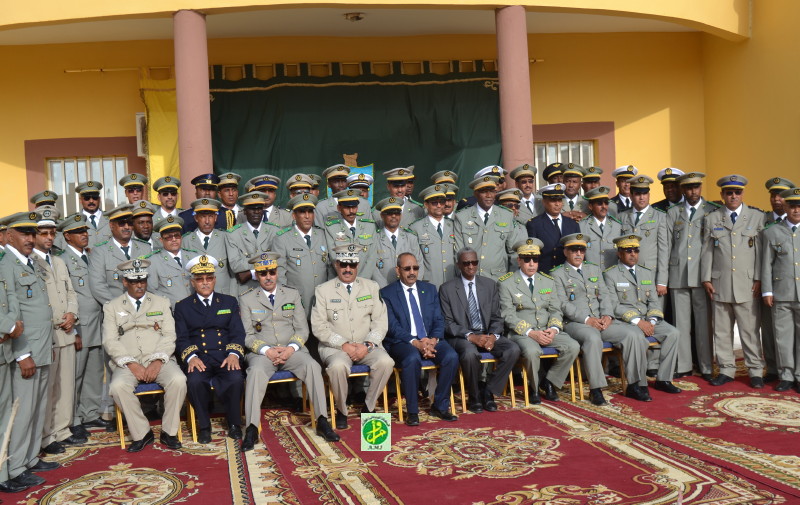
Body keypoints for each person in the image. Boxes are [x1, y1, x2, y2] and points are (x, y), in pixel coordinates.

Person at [239, 252, 339, 450]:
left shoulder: (292, 294)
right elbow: (247, 335)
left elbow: (302, 329)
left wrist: (290, 348)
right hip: (262, 353)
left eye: (272, 272)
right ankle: (251, 427)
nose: (268, 276)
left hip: (292, 350)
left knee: (312, 366)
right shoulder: (247, 299)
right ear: (257, 276)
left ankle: (322, 420)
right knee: (255, 372)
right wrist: (266, 350)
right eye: (263, 273)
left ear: (277, 273)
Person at [551, 233, 647, 405]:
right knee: (593, 338)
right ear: (565, 252)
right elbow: (563, 304)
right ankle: (596, 389)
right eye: (574, 250)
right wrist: (587, 319)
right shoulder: (557, 274)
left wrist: (608, 315)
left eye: (581, 249)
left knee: (632, 334)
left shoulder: (593, 269)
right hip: (576, 323)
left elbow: (605, 296)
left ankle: (634, 384)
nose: (578, 253)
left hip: (601, 320)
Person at [0, 211, 58, 489]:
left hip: (42, 347)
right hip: (26, 351)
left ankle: (31, 457)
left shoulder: (31, 262)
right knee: (21, 411)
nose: (30, 239)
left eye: (32, 233)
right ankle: (14, 465)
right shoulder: (5, 265)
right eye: (24, 233)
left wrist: (50, 345)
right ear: (8, 234)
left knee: (38, 407)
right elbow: (12, 315)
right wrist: (23, 354)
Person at [103, 259, 186, 452]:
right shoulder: (112, 307)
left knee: (179, 380)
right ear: (125, 282)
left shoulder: (161, 302)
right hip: (128, 363)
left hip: (159, 359)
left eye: (142, 280)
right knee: (117, 387)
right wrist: (131, 364)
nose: (139, 285)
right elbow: (110, 341)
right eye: (134, 281)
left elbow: (169, 335)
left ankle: (169, 432)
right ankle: (142, 433)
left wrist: (157, 360)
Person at [310, 244, 394, 429]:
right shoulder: (323, 290)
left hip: (367, 345)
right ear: (336, 265)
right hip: (335, 348)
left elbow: (381, 322)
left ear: (357, 265)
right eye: (343, 264)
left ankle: (369, 406)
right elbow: (319, 327)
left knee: (386, 362)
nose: (348, 269)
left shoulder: (371, 287)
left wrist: (368, 345)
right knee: (338, 366)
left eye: (352, 265)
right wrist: (344, 345)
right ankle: (342, 409)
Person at [701, 175, 766, 388]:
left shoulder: (756, 217)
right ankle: (726, 370)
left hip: (747, 284)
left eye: (737, 192)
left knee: (749, 331)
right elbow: (707, 250)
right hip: (720, 283)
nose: (733, 196)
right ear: (722, 195)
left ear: (742, 194)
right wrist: (706, 277)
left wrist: (758, 278)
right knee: (721, 331)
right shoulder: (712, 218)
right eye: (729, 192)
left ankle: (755, 370)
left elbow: (760, 252)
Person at [381, 253, 459, 425]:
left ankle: (440, 405)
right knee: (411, 358)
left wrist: (433, 340)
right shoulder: (387, 293)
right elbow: (392, 327)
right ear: (398, 270)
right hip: (403, 342)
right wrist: (415, 342)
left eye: (415, 268)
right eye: (407, 268)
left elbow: (439, 319)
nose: (412, 272)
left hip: (430, 340)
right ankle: (413, 411)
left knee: (451, 357)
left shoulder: (429, 289)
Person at [174, 255, 245, 444]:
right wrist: (191, 358)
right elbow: (181, 338)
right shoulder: (183, 307)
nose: (205, 283)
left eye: (208, 278)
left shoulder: (229, 302)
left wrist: (233, 354)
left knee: (236, 378)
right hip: (200, 358)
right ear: (192, 281)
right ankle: (204, 426)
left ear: (214, 279)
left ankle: (234, 424)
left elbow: (237, 332)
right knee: (195, 381)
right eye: (199, 279)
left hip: (224, 355)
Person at [439, 248, 520, 412]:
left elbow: (497, 317)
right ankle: (474, 396)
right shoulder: (447, 289)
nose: (470, 266)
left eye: (474, 262)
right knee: (469, 354)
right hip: (462, 337)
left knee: (513, 349)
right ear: (459, 265)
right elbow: (447, 323)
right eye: (466, 263)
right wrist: (471, 336)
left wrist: (492, 336)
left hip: (487, 333)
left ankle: (488, 391)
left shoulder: (489, 285)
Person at [498, 239, 578, 403]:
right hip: (522, 333)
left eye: (535, 259)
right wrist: (531, 332)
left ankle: (549, 382)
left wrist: (553, 329)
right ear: (519, 260)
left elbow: (555, 309)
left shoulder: (547, 280)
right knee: (532, 351)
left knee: (573, 346)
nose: (532, 264)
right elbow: (508, 315)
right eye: (527, 259)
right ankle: (534, 388)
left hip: (547, 329)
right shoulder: (506, 283)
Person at [604, 235, 681, 400]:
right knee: (636, 336)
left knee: (673, 333)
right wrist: (638, 322)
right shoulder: (610, 275)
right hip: (625, 321)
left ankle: (664, 379)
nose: (633, 254)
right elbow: (614, 306)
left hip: (647, 319)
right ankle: (636, 383)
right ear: (619, 253)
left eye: (636, 250)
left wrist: (651, 321)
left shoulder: (646, 273)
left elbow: (654, 302)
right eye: (628, 251)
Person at [659, 172, 719, 380]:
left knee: (703, 325)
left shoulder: (712, 210)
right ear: (683, 190)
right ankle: (683, 364)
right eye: (688, 188)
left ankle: (706, 366)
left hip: (702, 276)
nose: (693, 192)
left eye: (696, 187)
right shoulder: (673, 212)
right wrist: (663, 278)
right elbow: (666, 247)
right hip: (678, 275)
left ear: (701, 188)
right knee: (681, 324)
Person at [32, 210, 83, 454]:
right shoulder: (32, 262)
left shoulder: (59, 261)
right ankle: (46, 435)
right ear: (35, 235)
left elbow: (71, 293)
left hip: (67, 331)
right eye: (44, 233)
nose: (49, 237)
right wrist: (58, 319)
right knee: (49, 388)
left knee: (65, 385)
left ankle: (63, 429)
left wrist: (72, 314)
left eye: (52, 233)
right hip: (49, 333)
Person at [57, 214, 112, 436]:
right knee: (75, 375)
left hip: (97, 322)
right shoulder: (62, 260)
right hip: (80, 325)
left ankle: (89, 414)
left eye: (85, 231)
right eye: (79, 232)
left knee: (94, 372)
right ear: (67, 236)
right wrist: (75, 329)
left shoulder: (90, 256)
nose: (84, 235)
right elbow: (66, 296)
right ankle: (73, 419)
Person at [761, 187, 800, 393]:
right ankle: (786, 375)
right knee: (783, 337)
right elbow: (766, 264)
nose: (796, 210)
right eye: (792, 206)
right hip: (781, 293)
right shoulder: (771, 232)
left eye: (799, 206)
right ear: (784, 207)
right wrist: (767, 291)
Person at [272, 193, 331, 313]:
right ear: (294, 215)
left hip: (323, 301)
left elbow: (330, 267)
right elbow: (280, 273)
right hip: (297, 301)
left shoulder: (323, 235)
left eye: (310, 212)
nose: (307, 216)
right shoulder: (282, 238)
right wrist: (286, 300)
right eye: (302, 212)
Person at [454, 175, 519, 280]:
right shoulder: (462, 216)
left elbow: (513, 252)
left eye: (492, 191)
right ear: (475, 193)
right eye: (484, 191)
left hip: (499, 278)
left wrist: (511, 280)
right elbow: (458, 252)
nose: (489, 195)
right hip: (471, 277)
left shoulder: (506, 215)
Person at [89, 204, 150, 305]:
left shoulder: (145, 248)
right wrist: (119, 306)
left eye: (130, 223)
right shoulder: (100, 251)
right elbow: (98, 286)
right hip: (115, 310)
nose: (127, 227)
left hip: (143, 308)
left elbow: (151, 281)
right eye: (122, 223)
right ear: (111, 225)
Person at [323, 189, 386, 286]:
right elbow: (333, 257)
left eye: (354, 207)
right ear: (339, 208)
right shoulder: (331, 228)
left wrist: (360, 281)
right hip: (339, 281)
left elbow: (371, 258)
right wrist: (349, 278)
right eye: (347, 207)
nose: (351, 211)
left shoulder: (369, 226)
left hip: (364, 281)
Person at [0, 258, 25, 493]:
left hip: (4, 350)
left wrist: (11, 328)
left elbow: (11, 300)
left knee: (5, 414)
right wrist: (8, 326)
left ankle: (3, 473)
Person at [225, 191, 280, 295]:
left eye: (259, 208)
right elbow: (235, 265)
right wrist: (266, 262)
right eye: (252, 208)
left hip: (271, 289)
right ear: (244, 211)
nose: (256, 212)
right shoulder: (233, 234)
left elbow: (279, 261)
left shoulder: (275, 231)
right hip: (245, 290)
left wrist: (251, 273)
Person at [181, 198, 234, 296]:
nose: (207, 221)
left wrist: (234, 298)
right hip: (196, 297)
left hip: (223, 296)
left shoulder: (226, 237)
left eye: (210, 216)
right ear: (196, 218)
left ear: (216, 218)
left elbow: (233, 273)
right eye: (203, 217)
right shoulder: (186, 241)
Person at [145, 216, 199, 308]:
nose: (174, 239)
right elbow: (153, 290)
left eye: (177, 235)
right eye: (169, 237)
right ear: (161, 240)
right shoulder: (153, 261)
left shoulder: (193, 257)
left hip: (195, 308)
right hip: (171, 310)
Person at [526, 183, 580, 274]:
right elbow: (532, 254)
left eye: (559, 200)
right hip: (546, 273)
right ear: (544, 202)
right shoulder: (535, 224)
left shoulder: (572, 224)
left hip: (569, 274)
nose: (557, 204)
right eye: (553, 200)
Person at [374, 196, 423, 285]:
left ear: (401, 215)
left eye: (397, 213)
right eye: (389, 213)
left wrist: (411, 286)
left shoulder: (411, 238)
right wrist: (386, 290)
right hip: (384, 289)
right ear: (382, 215)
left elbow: (419, 264)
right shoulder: (374, 239)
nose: (393, 216)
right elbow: (373, 269)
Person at [579, 186, 623, 270]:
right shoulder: (582, 226)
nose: (604, 206)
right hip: (591, 275)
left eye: (606, 203)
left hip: (611, 274)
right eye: (599, 203)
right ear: (590, 206)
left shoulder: (617, 226)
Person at [76, 180, 111, 247]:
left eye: (94, 197)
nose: (91, 201)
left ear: (99, 199)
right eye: (87, 198)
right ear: (81, 200)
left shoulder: (111, 220)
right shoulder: (75, 223)